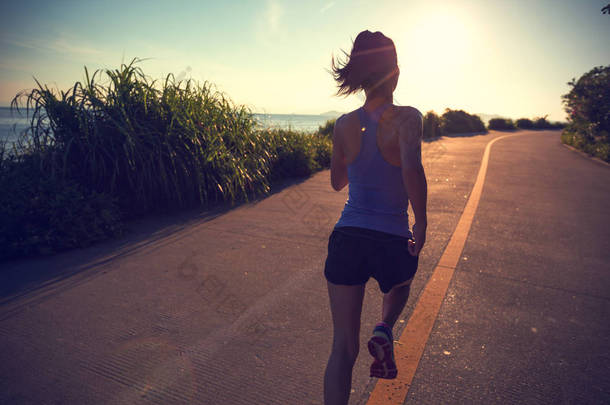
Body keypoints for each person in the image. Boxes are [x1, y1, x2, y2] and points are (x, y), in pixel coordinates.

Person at [323, 30, 428, 405]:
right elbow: (411, 170)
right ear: (396, 73)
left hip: (348, 238)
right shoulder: (408, 119)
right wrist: (422, 222)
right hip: (390, 238)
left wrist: (356, 155)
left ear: (360, 79)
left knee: (342, 348)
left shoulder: (343, 124)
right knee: (401, 283)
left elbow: (338, 182)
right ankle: (384, 327)